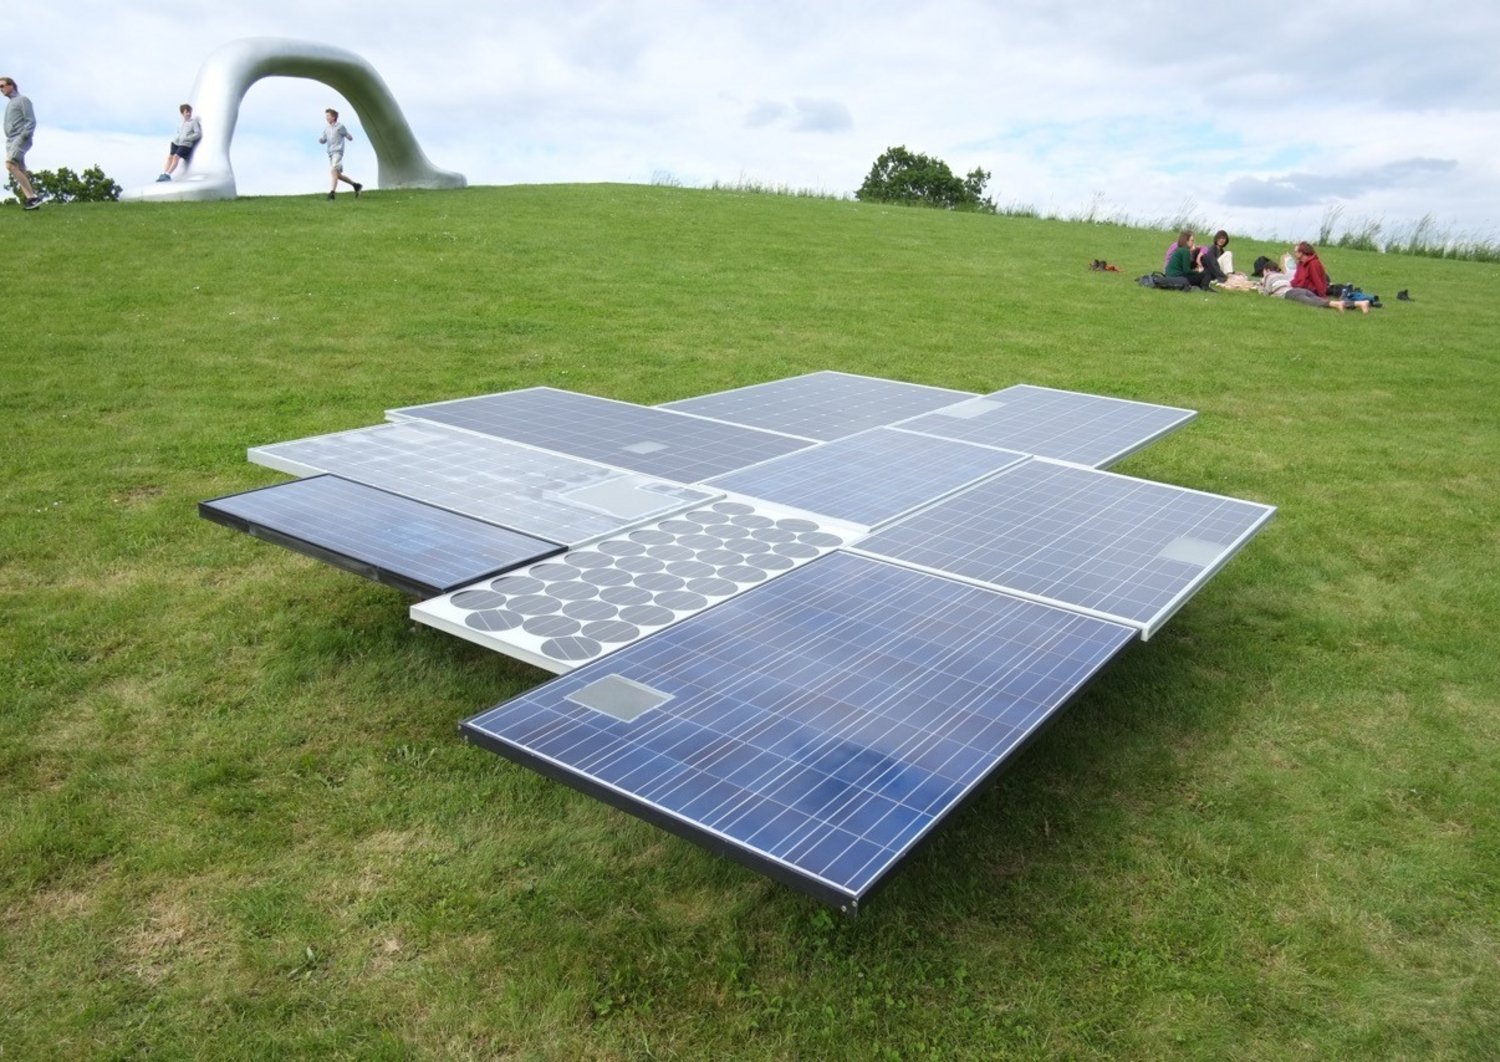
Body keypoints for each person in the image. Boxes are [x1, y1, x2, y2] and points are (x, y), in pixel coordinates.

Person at [1258, 261, 1366, 312]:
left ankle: (1337, 305)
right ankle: (1360, 303)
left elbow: (1266, 293)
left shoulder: (1268, 276)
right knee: (1319, 299)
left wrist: (1260, 286)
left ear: (1267, 270)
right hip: (1299, 290)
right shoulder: (1283, 275)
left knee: (1316, 303)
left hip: (1290, 293)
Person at [1, 76, 41, 210]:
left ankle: (33, 198)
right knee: (20, 169)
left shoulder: (22, 100)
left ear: (11, 85)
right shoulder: (11, 103)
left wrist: (23, 136)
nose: (0, 89)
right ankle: (32, 201)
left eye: (2, 86)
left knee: (10, 165)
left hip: (20, 138)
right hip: (11, 140)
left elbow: (31, 121)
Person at [318, 108, 363, 200]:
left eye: (328, 116)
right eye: (326, 116)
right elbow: (323, 139)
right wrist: (321, 140)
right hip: (330, 153)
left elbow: (349, 137)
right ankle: (356, 185)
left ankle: (332, 193)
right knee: (337, 175)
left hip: (338, 152)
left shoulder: (340, 126)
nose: (326, 118)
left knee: (333, 171)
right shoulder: (327, 129)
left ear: (333, 117)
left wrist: (347, 135)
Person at [157, 104, 201, 182]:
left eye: (190, 112)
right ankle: (164, 174)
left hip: (186, 144)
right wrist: (175, 139)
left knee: (176, 157)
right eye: (187, 112)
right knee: (170, 157)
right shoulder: (181, 123)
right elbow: (178, 132)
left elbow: (198, 134)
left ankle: (168, 174)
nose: (189, 114)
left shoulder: (193, 122)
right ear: (182, 113)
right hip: (176, 143)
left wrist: (188, 138)